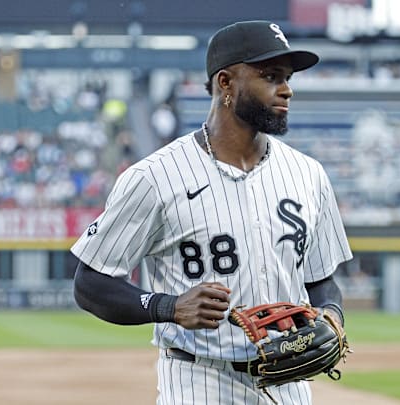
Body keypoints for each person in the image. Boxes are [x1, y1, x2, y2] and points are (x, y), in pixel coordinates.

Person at [71, 20, 353, 404]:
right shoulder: (155, 177)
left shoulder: (308, 175)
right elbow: (90, 282)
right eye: (270, 76)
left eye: (287, 78)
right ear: (225, 83)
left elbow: (321, 282)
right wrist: (167, 306)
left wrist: (331, 314)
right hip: (199, 380)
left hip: (288, 384)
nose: (286, 89)